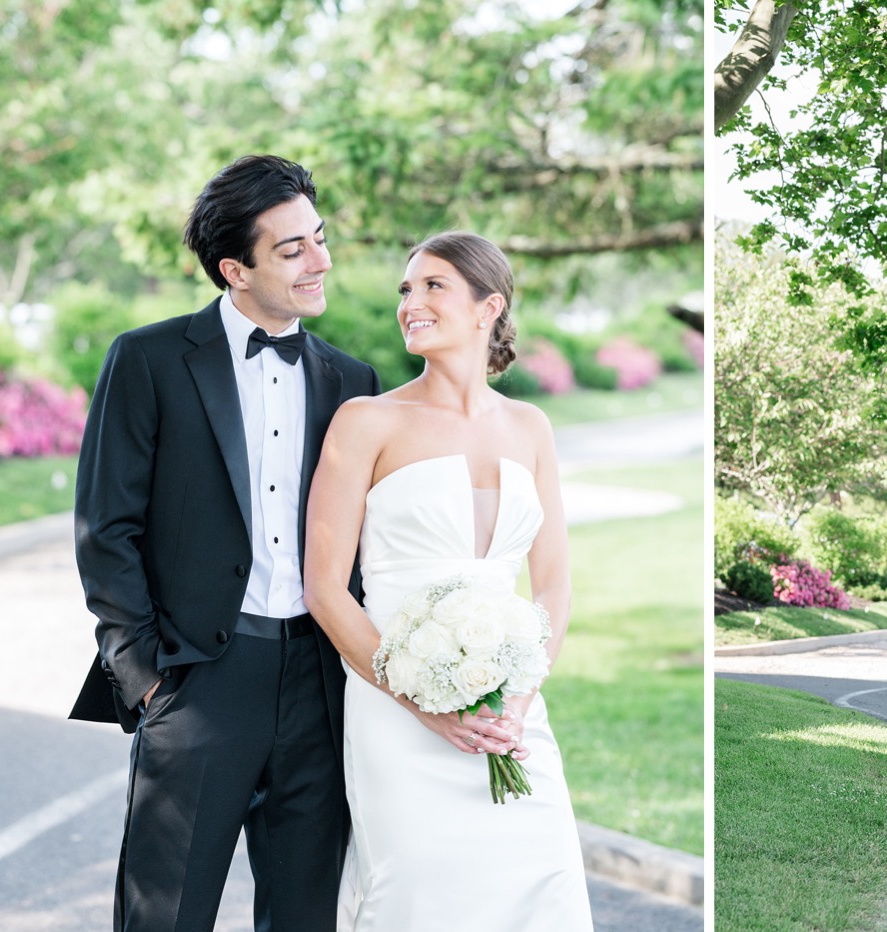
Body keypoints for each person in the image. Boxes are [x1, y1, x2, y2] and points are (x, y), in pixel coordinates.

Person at [69, 154, 381, 931]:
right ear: (234, 270)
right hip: (196, 681)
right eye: (292, 249)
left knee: (306, 916)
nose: (321, 261)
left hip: (319, 684)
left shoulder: (355, 382)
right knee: (164, 916)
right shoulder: (147, 360)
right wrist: (144, 675)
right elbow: (105, 529)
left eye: (319, 237)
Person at [303, 231, 593, 929]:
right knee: (417, 893)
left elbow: (551, 585)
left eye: (434, 286)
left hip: (510, 716)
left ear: (487, 307)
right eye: (407, 289)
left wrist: (519, 703)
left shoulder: (531, 427)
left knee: (540, 877)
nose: (411, 303)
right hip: (395, 712)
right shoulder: (366, 421)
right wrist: (421, 703)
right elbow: (323, 588)